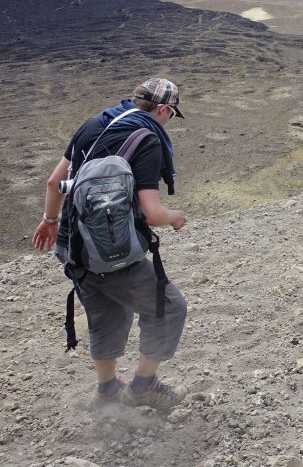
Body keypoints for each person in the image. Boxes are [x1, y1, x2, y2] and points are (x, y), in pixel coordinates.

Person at [32, 78, 189, 411]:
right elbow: (151, 213)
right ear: (163, 110)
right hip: (113, 253)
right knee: (170, 306)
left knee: (105, 313)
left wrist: (49, 220)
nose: (169, 121)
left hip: (73, 246)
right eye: (172, 114)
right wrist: (175, 217)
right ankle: (143, 388)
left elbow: (53, 181)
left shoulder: (96, 122)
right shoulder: (147, 138)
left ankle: (106, 391)